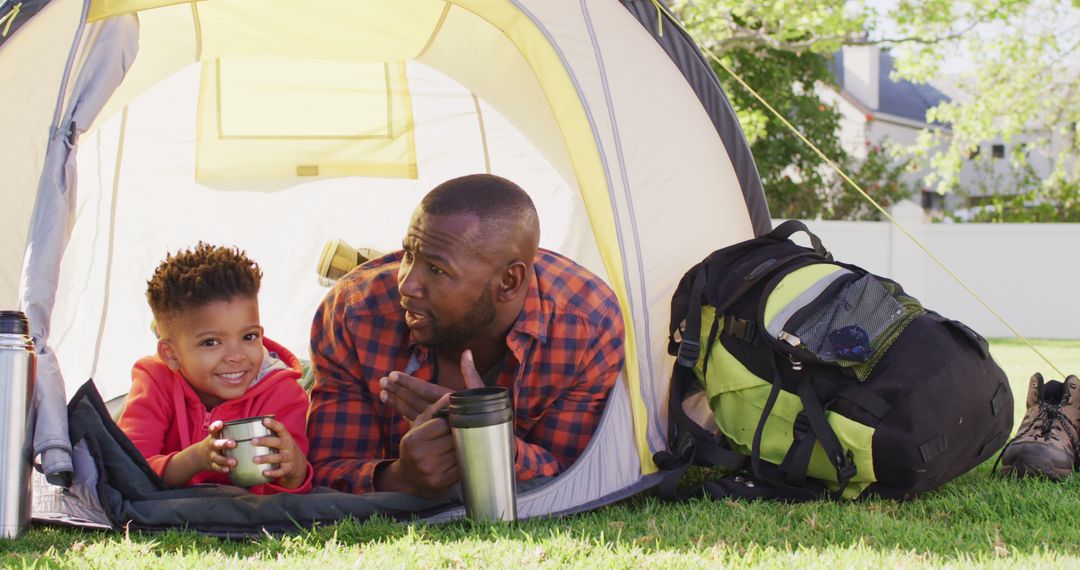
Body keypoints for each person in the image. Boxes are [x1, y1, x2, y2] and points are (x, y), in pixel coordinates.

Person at [308, 174, 626, 497]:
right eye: (408, 255)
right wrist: (400, 477)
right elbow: (321, 470)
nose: (405, 284)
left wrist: (490, 442)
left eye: (436, 270)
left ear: (509, 282)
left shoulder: (586, 326)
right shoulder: (354, 312)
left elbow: (572, 474)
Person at [117, 242, 313, 494]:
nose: (236, 356)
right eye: (211, 342)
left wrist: (294, 472)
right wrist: (194, 460)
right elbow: (130, 470)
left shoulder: (283, 392)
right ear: (171, 354)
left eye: (249, 337)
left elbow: (285, 496)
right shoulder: (154, 380)